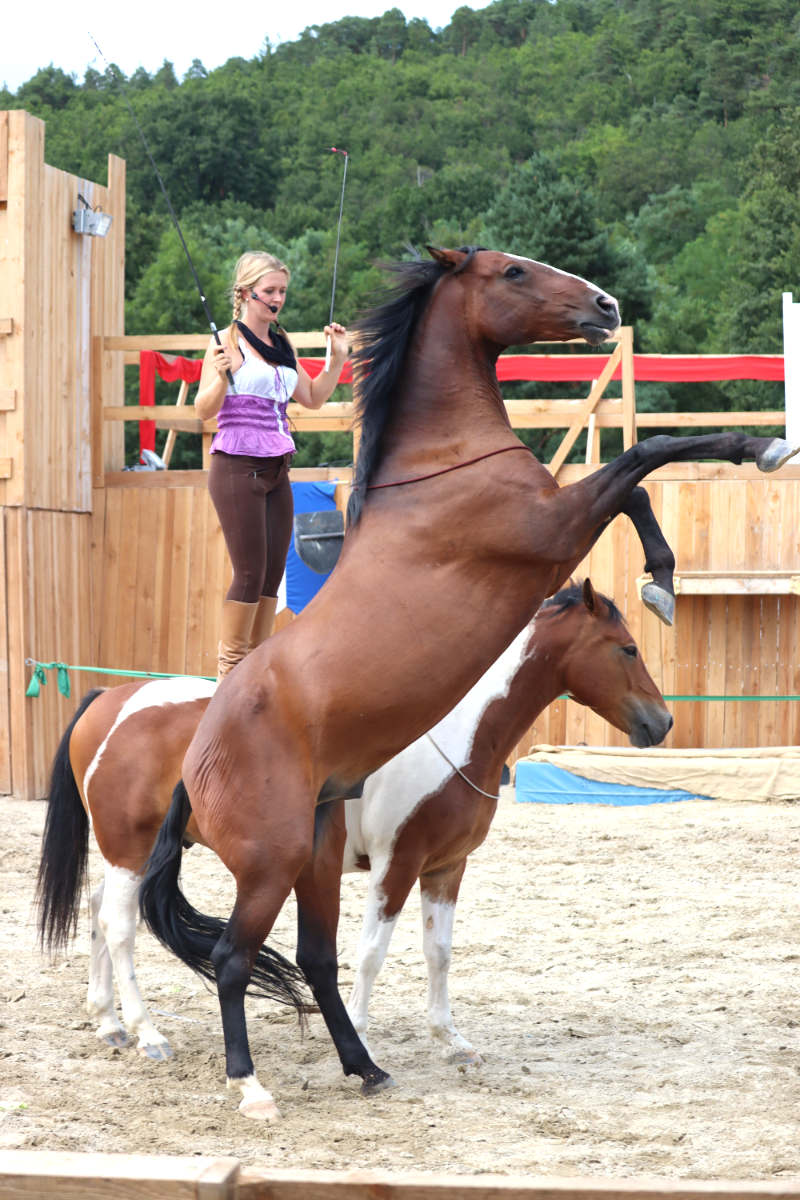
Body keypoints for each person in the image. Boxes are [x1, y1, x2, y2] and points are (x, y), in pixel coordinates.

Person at [194, 251, 349, 678]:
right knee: (248, 571)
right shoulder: (225, 343)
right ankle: (230, 669)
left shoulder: (282, 344)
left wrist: (336, 358)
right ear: (246, 293)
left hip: (278, 468)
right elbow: (202, 410)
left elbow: (314, 398)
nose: (277, 298)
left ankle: (255, 666)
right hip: (236, 467)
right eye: (269, 291)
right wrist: (222, 379)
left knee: (273, 572)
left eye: (282, 290)